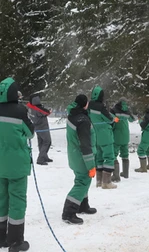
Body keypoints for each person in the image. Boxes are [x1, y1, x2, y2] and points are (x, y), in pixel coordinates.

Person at [0, 77, 34, 251]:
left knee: (0, 198)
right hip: (17, 164)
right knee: (17, 200)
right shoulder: (20, 110)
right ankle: (15, 241)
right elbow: (30, 132)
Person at [63, 93, 98, 225]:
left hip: (74, 155)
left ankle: (83, 205)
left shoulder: (73, 115)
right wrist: (91, 165)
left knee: (83, 180)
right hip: (82, 157)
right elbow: (85, 145)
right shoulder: (83, 120)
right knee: (82, 182)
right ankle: (69, 212)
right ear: (84, 104)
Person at [88, 85, 118, 188]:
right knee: (109, 157)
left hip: (95, 136)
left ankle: (99, 181)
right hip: (105, 136)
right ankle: (106, 182)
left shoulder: (89, 106)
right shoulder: (101, 107)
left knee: (99, 158)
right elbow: (109, 119)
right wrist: (113, 119)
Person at [111, 98, 136, 180]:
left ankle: (116, 175)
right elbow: (133, 119)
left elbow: (109, 118)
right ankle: (125, 173)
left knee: (113, 155)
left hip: (117, 135)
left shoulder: (114, 110)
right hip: (125, 135)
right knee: (125, 154)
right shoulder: (127, 111)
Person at [27, 94, 52, 165]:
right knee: (47, 141)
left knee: (41, 142)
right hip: (42, 126)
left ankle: (44, 156)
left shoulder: (29, 106)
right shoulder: (38, 108)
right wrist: (49, 111)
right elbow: (46, 112)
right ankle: (40, 158)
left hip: (36, 125)